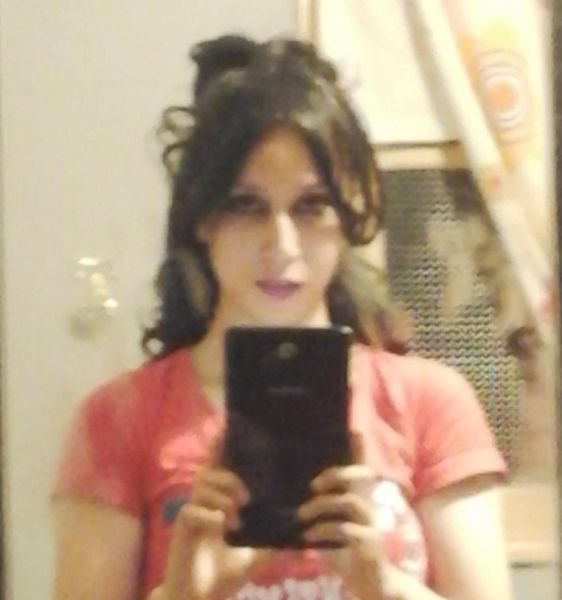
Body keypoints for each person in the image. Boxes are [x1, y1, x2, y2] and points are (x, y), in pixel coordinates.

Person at [52, 35, 513, 600]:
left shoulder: (429, 404)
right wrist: (185, 593)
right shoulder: (118, 421)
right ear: (203, 218)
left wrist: (381, 584)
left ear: (347, 217)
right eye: (247, 206)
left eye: (311, 206)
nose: (282, 245)